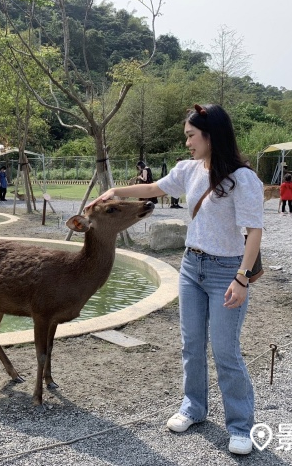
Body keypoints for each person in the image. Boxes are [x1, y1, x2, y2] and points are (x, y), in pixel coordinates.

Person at [87, 104, 263, 455]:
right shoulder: (188, 170)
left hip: (225, 271)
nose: (186, 142)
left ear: (211, 135)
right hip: (191, 267)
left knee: (225, 351)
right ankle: (194, 408)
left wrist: (242, 279)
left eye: (190, 135)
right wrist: (116, 193)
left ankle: (241, 425)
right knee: (191, 345)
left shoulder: (242, 179)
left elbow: (254, 231)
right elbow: (154, 188)